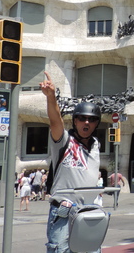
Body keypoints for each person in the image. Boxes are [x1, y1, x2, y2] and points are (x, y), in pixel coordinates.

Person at [40, 71, 102, 253]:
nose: (86, 122)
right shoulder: (63, 141)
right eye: (82, 118)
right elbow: (55, 121)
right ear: (75, 120)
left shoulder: (96, 145)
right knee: (60, 250)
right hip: (64, 212)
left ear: (96, 124)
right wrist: (51, 97)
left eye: (91, 120)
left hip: (89, 211)